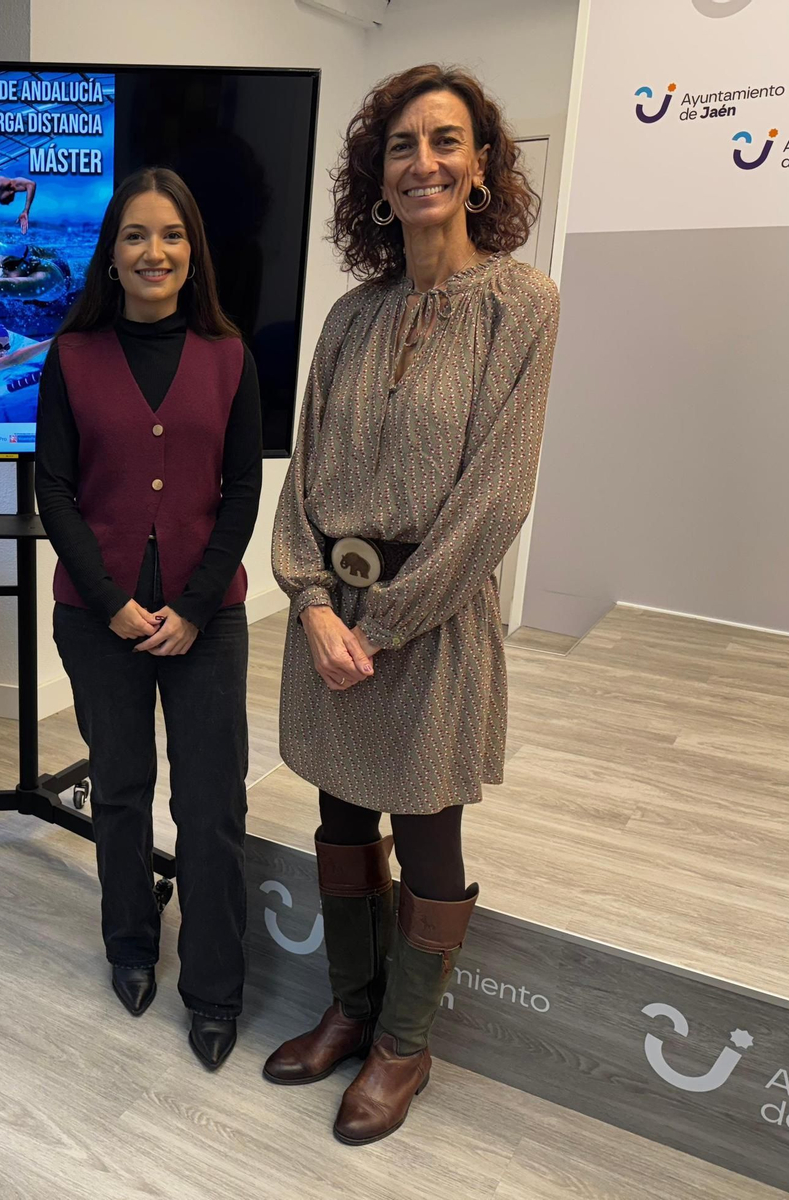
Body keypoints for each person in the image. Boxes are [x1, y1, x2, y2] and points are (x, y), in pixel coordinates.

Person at [264, 64, 558, 1144]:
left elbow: (495, 497)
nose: (422, 161)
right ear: (375, 178)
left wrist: (381, 626)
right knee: (340, 813)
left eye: (445, 141)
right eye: (400, 145)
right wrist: (309, 604)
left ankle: (404, 1043)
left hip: (427, 627)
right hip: (328, 616)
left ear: (481, 167)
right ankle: (349, 1009)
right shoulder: (348, 316)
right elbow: (298, 481)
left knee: (427, 834)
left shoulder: (522, 305)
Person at [36, 168, 262, 1069]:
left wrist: (198, 604)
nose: (154, 252)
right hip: (99, 620)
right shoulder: (70, 356)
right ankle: (131, 944)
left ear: (191, 250)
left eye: (171, 235)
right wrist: (114, 603)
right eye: (135, 235)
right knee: (122, 793)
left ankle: (215, 986)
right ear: (112, 253)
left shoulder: (231, 356)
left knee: (210, 806)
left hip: (211, 620)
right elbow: (53, 491)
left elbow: (242, 489)